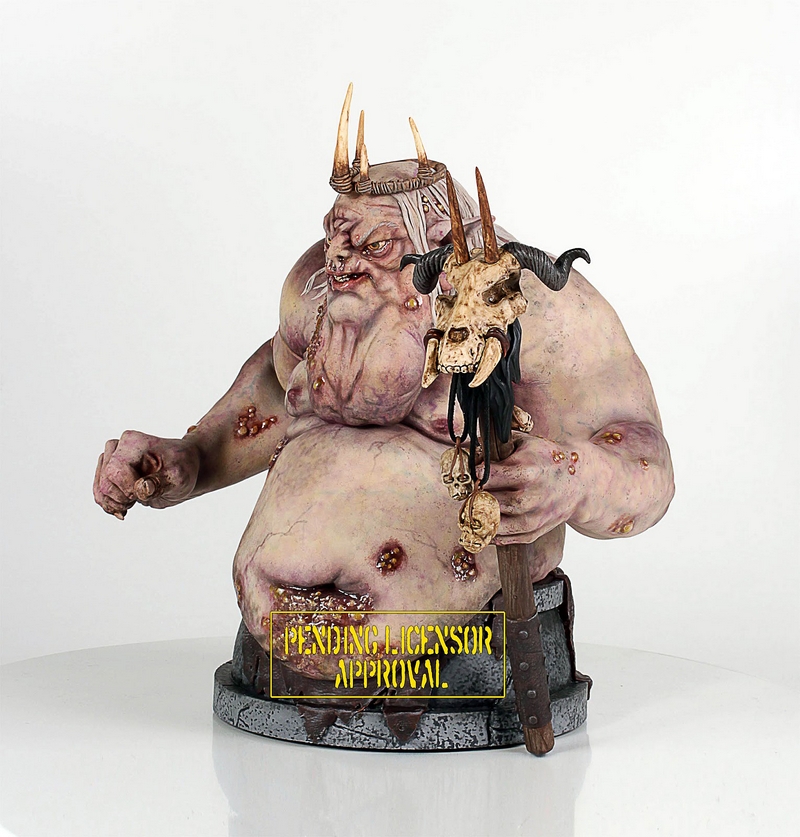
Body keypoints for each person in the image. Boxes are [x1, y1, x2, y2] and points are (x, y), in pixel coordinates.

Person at [93, 88, 674, 679]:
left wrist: (576, 477)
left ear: (440, 242)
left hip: (450, 636)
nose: (342, 263)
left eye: (375, 246)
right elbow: (281, 388)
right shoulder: (318, 289)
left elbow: (646, 466)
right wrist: (192, 458)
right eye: (335, 236)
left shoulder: (536, 308)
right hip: (279, 622)